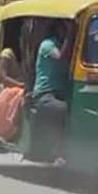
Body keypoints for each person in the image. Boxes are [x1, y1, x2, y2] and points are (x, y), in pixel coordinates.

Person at [31, 21, 74, 161]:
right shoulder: (48, 44)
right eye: (64, 30)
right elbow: (61, 57)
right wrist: (70, 35)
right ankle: (58, 152)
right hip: (45, 93)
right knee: (62, 110)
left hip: (61, 92)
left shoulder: (66, 46)